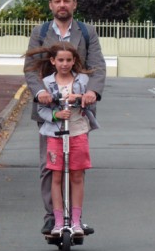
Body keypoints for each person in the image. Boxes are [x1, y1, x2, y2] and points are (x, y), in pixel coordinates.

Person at [24, 0, 106, 235]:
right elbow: (31, 68)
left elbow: (97, 65)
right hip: (50, 109)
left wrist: (92, 91)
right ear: (51, 5)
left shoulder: (86, 31)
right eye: (57, 1)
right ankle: (53, 217)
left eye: (66, 1)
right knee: (50, 167)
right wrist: (40, 93)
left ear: (74, 4)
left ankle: (75, 217)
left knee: (76, 165)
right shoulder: (40, 32)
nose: (62, 5)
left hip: (78, 110)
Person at [25, 42, 99, 236]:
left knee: (76, 175)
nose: (64, 64)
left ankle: (76, 221)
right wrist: (55, 115)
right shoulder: (47, 82)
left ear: (74, 61)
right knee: (56, 176)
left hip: (78, 131)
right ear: (53, 61)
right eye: (60, 60)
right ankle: (57, 221)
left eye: (68, 60)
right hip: (55, 135)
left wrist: (82, 97)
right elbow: (41, 109)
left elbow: (90, 103)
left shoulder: (82, 80)